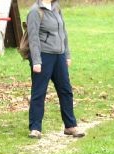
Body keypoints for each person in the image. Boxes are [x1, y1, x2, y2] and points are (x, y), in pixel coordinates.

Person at [26, 0, 84, 139]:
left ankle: (70, 126)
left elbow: (63, 32)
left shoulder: (56, 8)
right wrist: (37, 61)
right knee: (39, 92)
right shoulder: (35, 11)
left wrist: (67, 54)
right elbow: (33, 38)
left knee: (66, 90)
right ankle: (35, 128)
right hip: (43, 56)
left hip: (59, 56)